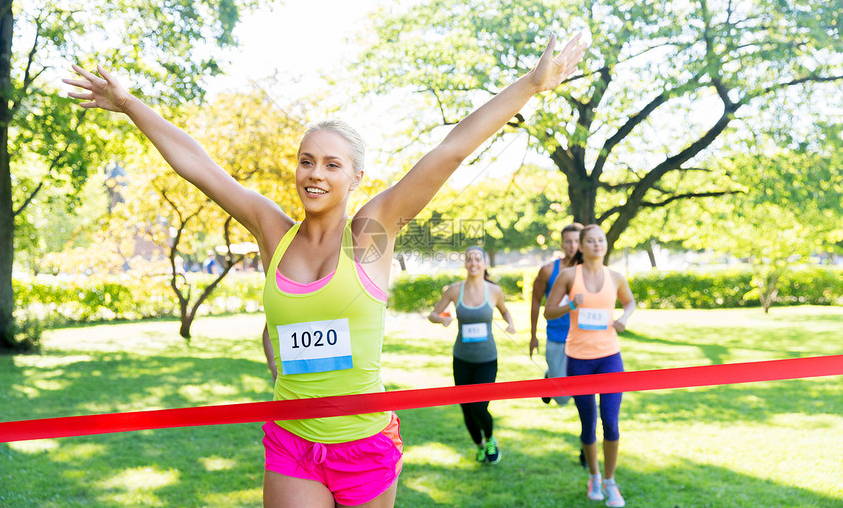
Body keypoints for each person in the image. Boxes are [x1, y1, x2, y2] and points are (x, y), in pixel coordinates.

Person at [65, 30, 586, 508]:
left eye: (331, 165)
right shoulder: (272, 230)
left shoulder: (371, 233)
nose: (314, 174)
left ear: (356, 177)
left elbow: (448, 152)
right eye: (306, 160)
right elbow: (201, 167)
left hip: (363, 444)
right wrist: (131, 105)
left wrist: (531, 85)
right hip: (293, 441)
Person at [544, 224, 636, 508]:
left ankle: (610, 482)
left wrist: (624, 318)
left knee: (610, 420)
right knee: (588, 422)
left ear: (605, 245)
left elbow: (630, 302)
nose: (597, 245)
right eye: (591, 241)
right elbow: (549, 312)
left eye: (601, 240)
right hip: (579, 359)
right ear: (581, 246)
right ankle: (594, 477)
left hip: (610, 357)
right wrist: (571, 306)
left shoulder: (616, 277)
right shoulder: (570, 276)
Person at [427, 247, 516, 465]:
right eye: (469, 259)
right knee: (466, 408)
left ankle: (491, 439)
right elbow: (432, 314)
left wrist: (511, 323)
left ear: (485, 264)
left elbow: (504, 310)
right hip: (462, 360)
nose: (473, 263)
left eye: (478, 259)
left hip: (487, 359)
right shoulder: (454, 290)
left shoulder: (494, 291)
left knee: (479, 405)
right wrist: (442, 320)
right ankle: (479, 446)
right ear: (465, 264)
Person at [529, 222, 583, 406]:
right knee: (561, 399)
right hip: (557, 337)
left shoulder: (589, 271)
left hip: (583, 338)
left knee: (584, 391)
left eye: (576, 241)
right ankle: (550, 375)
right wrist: (533, 336)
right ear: (561, 244)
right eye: (568, 241)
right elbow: (536, 301)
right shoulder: (548, 271)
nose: (572, 246)